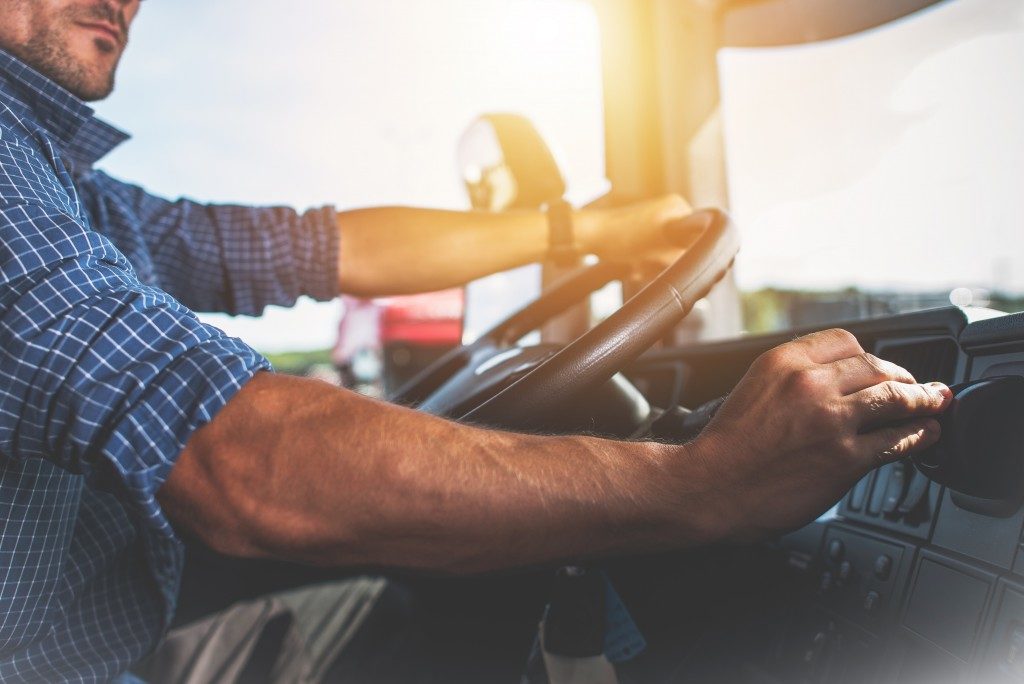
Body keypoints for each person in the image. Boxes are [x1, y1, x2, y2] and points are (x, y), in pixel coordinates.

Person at [0, 0, 952, 681]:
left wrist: (585, 234)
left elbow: (300, 245)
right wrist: (703, 483)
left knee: (433, 592)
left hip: (110, 634)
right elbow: (235, 456)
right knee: (456, 589)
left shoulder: (68, 185)